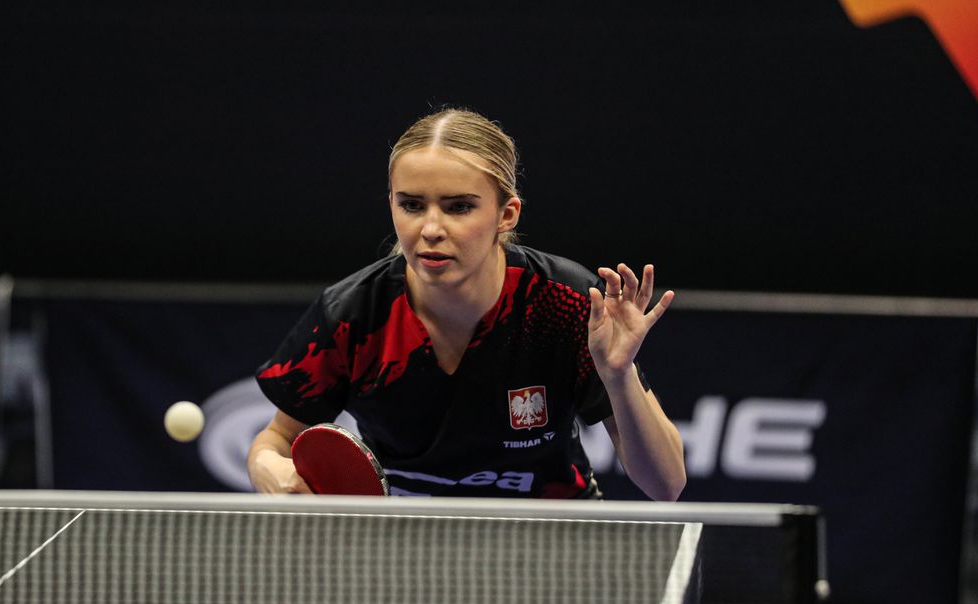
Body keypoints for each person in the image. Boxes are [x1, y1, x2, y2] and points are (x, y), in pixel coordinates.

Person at [248, 109, 685, 500]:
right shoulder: (353, 314)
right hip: (405, 544)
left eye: (459, 207)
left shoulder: (567, 304)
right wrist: (270, 469)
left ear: (506, 214)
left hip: (552, 543)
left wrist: (618, 374)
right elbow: (275, 440)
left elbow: (665, 485)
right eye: (412, 205)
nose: (431, 228)